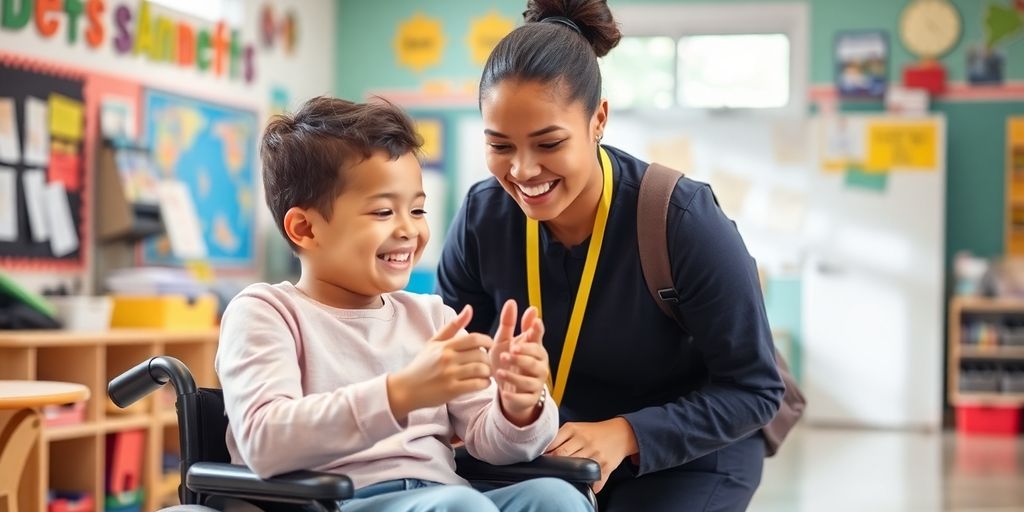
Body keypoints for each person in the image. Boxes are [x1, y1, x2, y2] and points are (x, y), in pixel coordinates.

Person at [436, 1, 785, 510]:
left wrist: (626, 434)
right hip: (545, 446)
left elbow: (753, 389)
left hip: (685, 454)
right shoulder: (481, 216)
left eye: (548, 143)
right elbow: (457, 352)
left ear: (599, 119)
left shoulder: (682, 220)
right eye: (500, 146)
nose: (523, 171)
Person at [216, 96, 592, 512]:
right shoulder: (267, 312)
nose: (409, 229)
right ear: (304, 228)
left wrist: (518, 407)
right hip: (334, 502)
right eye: (382, 212)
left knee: (557, 498)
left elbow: (493, 443)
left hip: (442, 495)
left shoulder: (432, 316)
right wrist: (399, 394)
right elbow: (265, 441)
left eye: (417, 209)